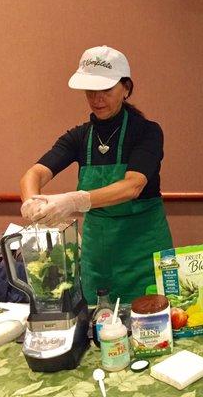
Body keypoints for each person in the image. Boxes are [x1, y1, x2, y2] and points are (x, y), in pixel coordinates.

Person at [20, 45, 173, 305]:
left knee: (150, 326)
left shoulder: (147, 132)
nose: (96, 98)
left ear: (126, 89)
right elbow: (34, 173)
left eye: (105, 90)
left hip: (143, 253)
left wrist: (74, 201)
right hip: (97, 259)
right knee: (99, 327)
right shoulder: (79, 137)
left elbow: (132, 186)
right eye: (90, 91)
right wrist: (32, 201)